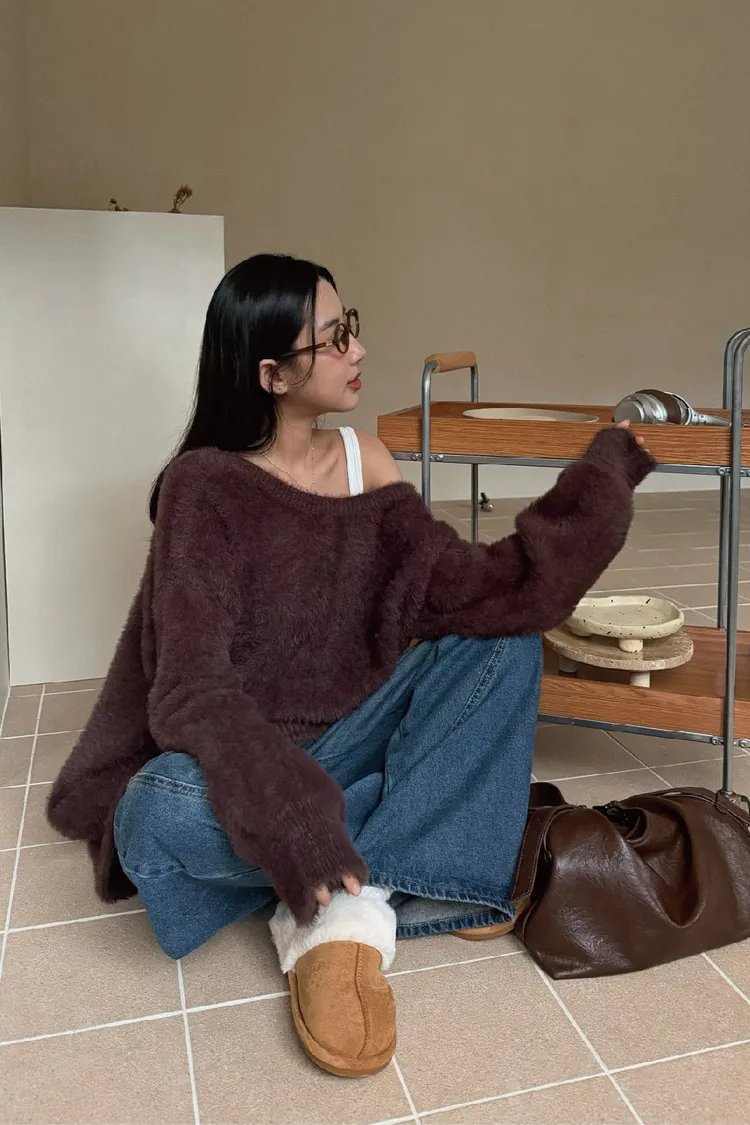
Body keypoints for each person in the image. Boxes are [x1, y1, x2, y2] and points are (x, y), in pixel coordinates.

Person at [48, 253, 654, 1079]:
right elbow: (191, 692)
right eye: (332, 339)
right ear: (271, 375)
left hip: (356, 739)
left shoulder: (367, 461)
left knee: (505, 641)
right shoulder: (204, 487)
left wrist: (604, 472)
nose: (357, 350)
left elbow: (489, 591)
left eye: (350, 328)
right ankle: (404, 860)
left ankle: (337, 902)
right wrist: (295, 820)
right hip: (248, 767)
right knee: (154, 811)